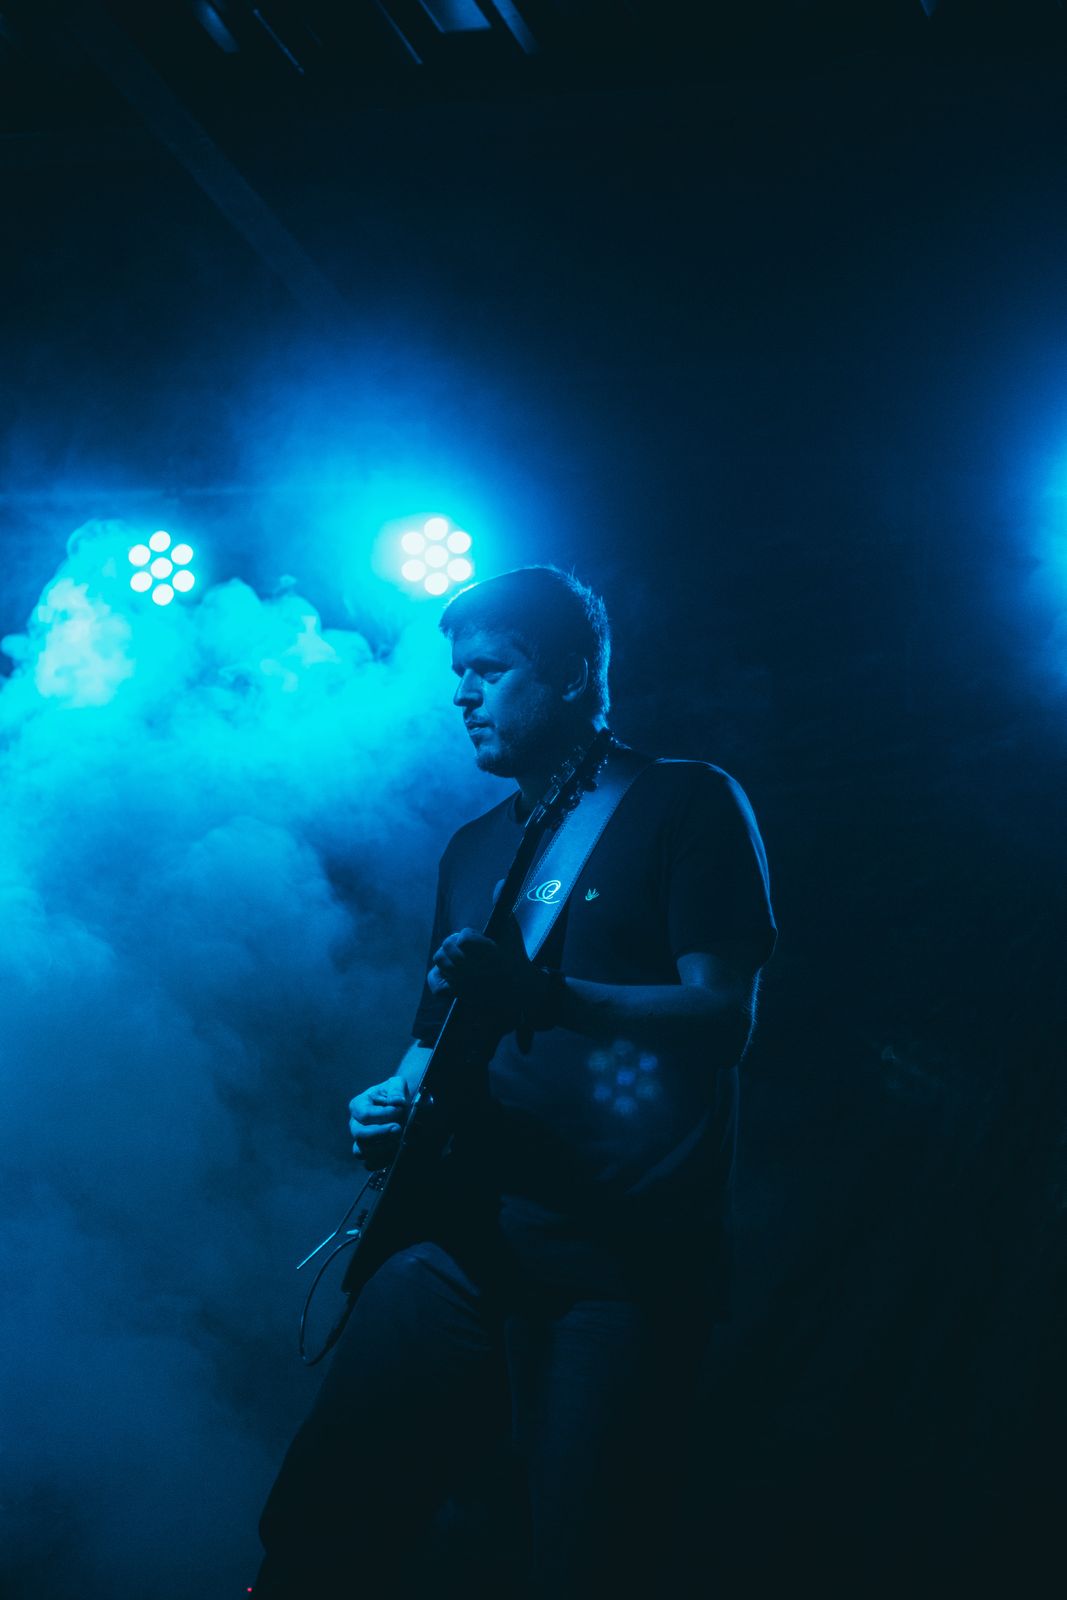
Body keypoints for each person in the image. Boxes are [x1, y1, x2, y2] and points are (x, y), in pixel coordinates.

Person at [255, 566, 776, 1598]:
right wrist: (388, 1098)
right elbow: (432, 1037)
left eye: (489, 670)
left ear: (573, 673)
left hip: (614, 1260)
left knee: (582, 1553)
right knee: (322, 1516)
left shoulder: (685, 800)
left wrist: (545, 997)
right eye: (458, 673)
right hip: (456, 1239)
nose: (462, 694)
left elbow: (723, 1018)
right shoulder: (471, 848)